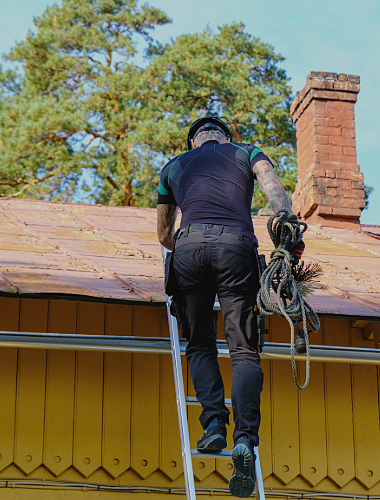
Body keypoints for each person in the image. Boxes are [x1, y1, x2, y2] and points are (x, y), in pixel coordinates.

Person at [156, 116, 294, 498]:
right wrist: (287, 224)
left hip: (187, 251)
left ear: (194, 140)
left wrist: (192, 247)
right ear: (224, 137)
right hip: (237, 250)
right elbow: (273, 189)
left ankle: (214, 425)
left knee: (200, 344)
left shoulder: (173, 166)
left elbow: (164, 233)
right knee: (243, 350)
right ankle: (245, 441)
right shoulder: (247, 152)